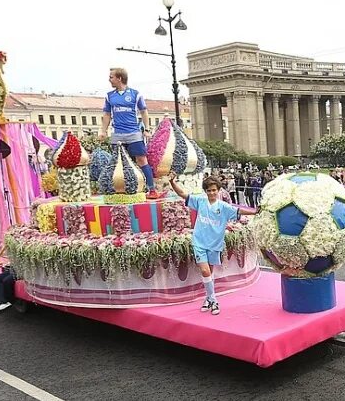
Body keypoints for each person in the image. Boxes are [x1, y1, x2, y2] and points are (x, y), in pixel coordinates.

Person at [167, 173, 258, 315]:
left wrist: (256, 212)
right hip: (199, 242)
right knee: (204, 271)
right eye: (209, 190)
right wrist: (172, 182)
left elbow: (239, 211)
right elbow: (183, 194)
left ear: (219, 190)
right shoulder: (200, 201)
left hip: (214, 244)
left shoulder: (224, 207)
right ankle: (214, 300)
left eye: (214, 190)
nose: (212, 193)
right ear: (205, 191)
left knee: (209, 273)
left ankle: (208, 299)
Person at [102, 67, 158, 199]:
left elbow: (144, 111)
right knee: (117, 163)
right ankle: (119, 190)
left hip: (134, 133)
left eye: (111, 77)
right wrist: (103, 130)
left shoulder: (135, 94)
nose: (109, 79)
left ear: (119, 78)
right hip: (117, 134)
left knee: (141, 160)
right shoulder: (109, 96)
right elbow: (106, 114)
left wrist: (147, 129)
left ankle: (152, 189)